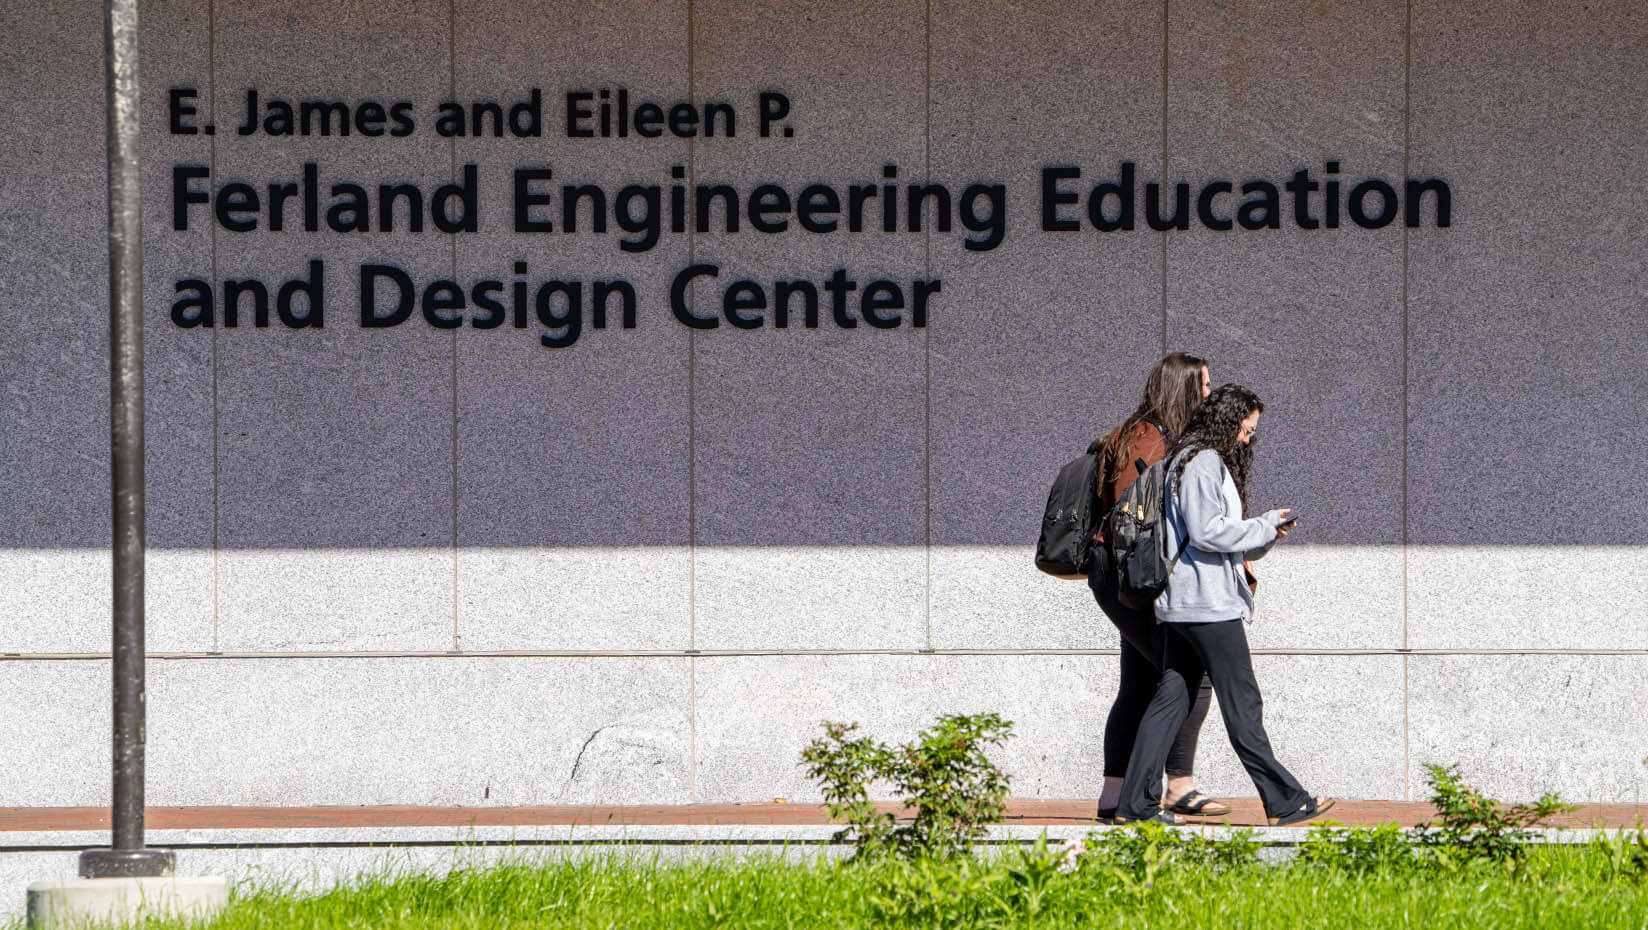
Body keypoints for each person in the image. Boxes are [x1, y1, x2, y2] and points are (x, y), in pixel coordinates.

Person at [1113, 384, 1334, 826]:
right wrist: (1265, 523)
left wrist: (1266, 535)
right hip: (1207, 605)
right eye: (1247, 429)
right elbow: (1209, 531)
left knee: (1171, 699)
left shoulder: (1184, 457)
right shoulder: (1203, 461)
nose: (1247, 439)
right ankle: (1285, 799)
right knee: (1243, 701)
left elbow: (1214, 536)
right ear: (1228, 421)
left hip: (1186, 604)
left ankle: (1135, 805)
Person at [1088, 352, 1228, 821]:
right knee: (1190, 673)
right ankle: (1172, 789)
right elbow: (1136, 519)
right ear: (1184, 388)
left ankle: (1114, 795)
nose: (1210, 393)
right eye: (1205, 386)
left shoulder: (1138, 433)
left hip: (1123, 572)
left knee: (1140, 682)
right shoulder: (1148, 439)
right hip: (1134, 574)